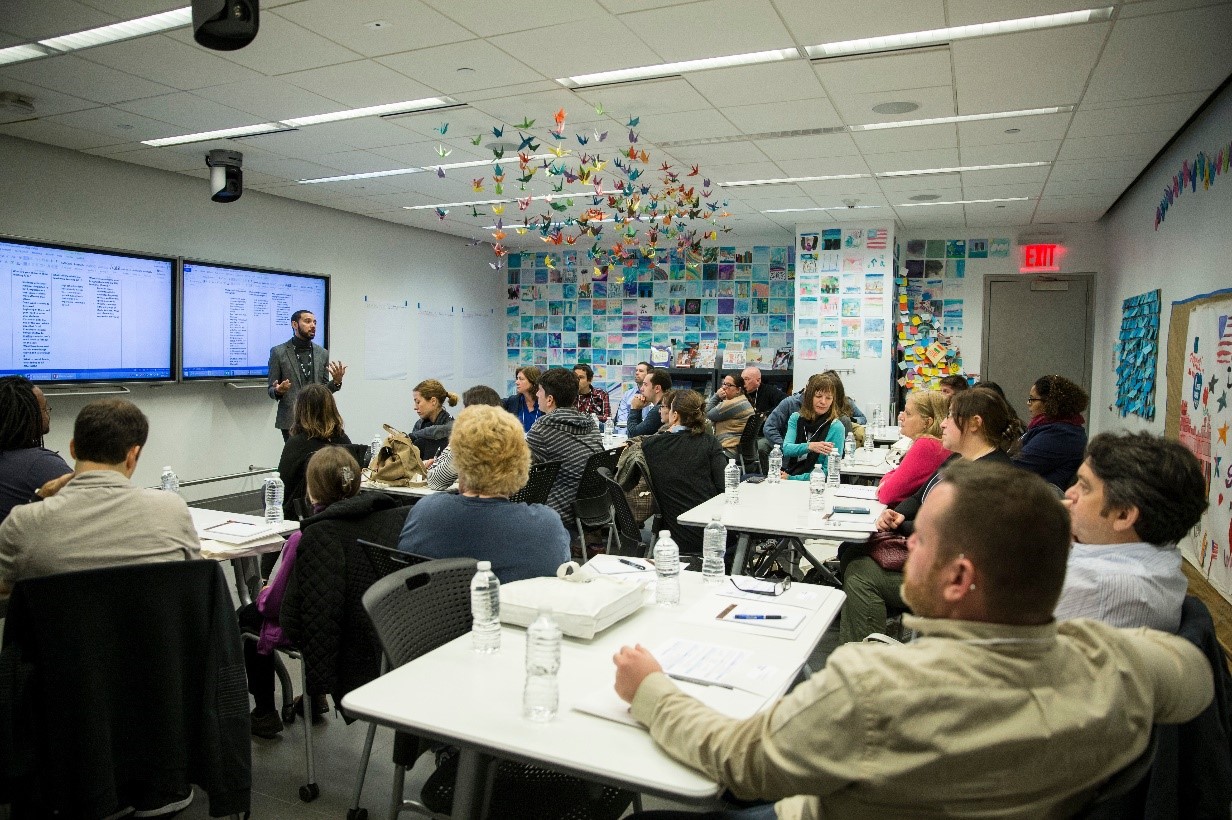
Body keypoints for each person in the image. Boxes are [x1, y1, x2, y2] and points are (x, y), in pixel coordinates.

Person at [613, 460, 1214, 820]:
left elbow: (740, 763)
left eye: (920, 543)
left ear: (959, 579)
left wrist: (652, 690)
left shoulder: (874, 689)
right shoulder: (1119, 669)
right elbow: (1194, 672)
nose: (906, 554)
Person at [838, 387, 1018, 644]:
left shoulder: (992, 476)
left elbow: (949, 534)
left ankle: (865, 663)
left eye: (951, 416)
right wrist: (895, 516)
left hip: (955, 580)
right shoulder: (959, 459)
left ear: (975, 424)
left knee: (861, 574)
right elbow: (916, 497)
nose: (943, 423)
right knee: (853, 551)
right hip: (931, 557)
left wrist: (901, 527)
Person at [0, 399, 200, 597]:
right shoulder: (172, 509)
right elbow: (196, 582)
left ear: (73, 448)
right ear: (133, 455)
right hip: (149, 629)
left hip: (63, 629)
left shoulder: (24, 521)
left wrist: (40, 498)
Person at [243, 446, 361, 738]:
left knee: (247, 617)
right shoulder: (370, 524)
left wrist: (264, 593)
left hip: (313, 630)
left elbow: (274, 607)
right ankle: (313, 695)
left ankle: (264, 711)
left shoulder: (305, 537)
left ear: (311, 491)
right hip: (356, 624)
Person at [1055, 431, 1208, 632]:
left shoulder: (1096, 584)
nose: (1069, 493)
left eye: (1084, 487)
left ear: (1124, 515)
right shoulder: (1158, 558)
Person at [398, 405, 570, 581]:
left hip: (435, 607)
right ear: (520, 461)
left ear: (458, 458)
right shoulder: (547, 526)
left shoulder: (425, 513)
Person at [642, 390, 726, 555]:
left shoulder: (651, 446)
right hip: (712, 534)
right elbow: (724, 488)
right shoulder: (710, 443)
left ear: (675, 415)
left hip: (673, 536)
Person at [525, 368, 604, 533]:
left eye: (539, 391)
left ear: (549, 399)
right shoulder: (590, 423)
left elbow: (518, 468)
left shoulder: (543, 428)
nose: (537, 395)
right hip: (595, 504)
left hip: (561, 509)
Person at [277, 383, 354, 520]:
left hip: (303, 514)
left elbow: (283, 486)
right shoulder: (344, 440)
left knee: (268, 488)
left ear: (300, 410)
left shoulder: (296, 444)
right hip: (342, 511)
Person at [0, 376, 71, 522]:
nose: (48, 412)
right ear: (27, 416)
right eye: (44, 408)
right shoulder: (40, 465)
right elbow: (93, 507)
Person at [268, 309, 345, 442]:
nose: (313, 325)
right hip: (291, 419)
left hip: (318, 418)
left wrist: (336, 382)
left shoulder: (322, 353)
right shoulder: (278, 352)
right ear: (295, 324)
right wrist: (278, 391)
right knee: (296, 459)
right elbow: (270, 389)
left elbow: (324, 390)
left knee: (317, 459)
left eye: (314, 322)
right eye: (307, 321)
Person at [1014, 373, 1089, 489]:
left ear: (1049, 403)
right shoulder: (1053, 427)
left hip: (1042, 500)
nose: (1028, 404)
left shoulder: (1062, 434)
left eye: (1032, 399)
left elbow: (1016, 467)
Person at [876, 390, 951, 506]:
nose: (901, 417)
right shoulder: (938, 443)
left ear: (927, 422)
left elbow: (887, 494)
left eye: (908, 413)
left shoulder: (927, 445)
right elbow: (897, 474)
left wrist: (885, 481)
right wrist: (890, 478)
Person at [426, 384, 501, 490]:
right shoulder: (510, 438)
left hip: (475, 504)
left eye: (464, 408)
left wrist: (454, 444)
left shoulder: (470, 442)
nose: (461, 413)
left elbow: (435, 481)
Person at [780, 373, 846, 480]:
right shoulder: (796, 418)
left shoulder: (836, 427)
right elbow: (787, 449)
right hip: (790, 473)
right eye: (818, 396)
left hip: (816, 483)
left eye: (828, 398)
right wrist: (810, 446)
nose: (823, 402)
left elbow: (828, 471)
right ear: (809, 397)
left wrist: (792, 478)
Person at [706, 372, 754, 457]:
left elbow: (707, 413)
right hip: (740, 452)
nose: (724, 388)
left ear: (738, 390)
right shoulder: (742, 400)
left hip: (728, 451)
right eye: (723, 384)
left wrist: (717, 396)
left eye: (729, 385)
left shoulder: (733, 404)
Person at [410, 379, 458, 462]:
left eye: (418, 402)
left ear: (433, 401)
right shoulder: (419, 424)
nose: (415, 407)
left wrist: (411, 436)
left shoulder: (452, 426)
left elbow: (437, 431)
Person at [627, 368, 672, 437]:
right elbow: (640, 431)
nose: (641, 389)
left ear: (657, 388)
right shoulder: (668, 404)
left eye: (645, 385)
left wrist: (634, 409)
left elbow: (634, 436)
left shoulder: (659, 410)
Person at [502, 365, 543, 434]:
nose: (516, 382)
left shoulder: (545, 402)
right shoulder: (512, 401)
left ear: (533, 381)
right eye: (517, 378)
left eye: (521, 379)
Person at [615, 361, 651, 428]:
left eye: (641, 371)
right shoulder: (627, 394)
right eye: (636, 370)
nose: (637, 373)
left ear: (649, 375)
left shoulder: (653, 395)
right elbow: (622, 420)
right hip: (627, 433)